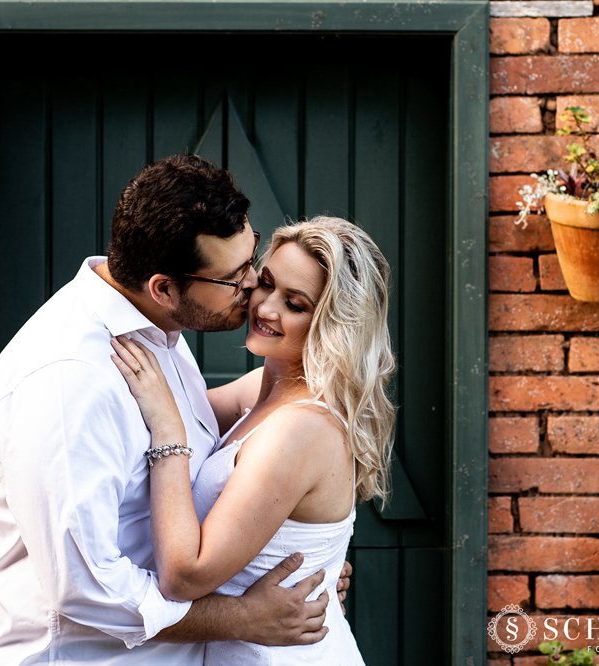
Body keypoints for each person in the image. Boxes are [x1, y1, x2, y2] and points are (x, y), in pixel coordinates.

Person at [0, 154, 348, 665]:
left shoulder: (157, 332)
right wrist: (243, 617)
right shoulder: (68, 380)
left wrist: (310, 557)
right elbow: (85, 587)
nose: (253, 291)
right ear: (164, 288)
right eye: (236, 277)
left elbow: (241, 457)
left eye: (251, 258)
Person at [110, 216, 396, 664]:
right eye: (265, 283)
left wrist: (170, 433)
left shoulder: (300, 429)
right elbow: (138, 411)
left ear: (334, 324)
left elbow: (184, 578)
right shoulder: (260, 389)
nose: (264, 307)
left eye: (295, 304)